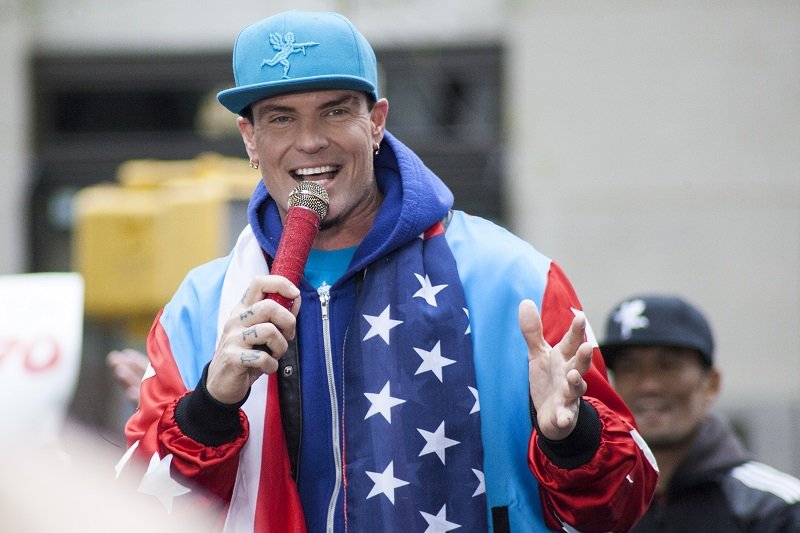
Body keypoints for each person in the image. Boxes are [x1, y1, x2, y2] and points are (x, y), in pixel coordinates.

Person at [116, 10, 657, 532]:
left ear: (376, 123)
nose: (310, 141)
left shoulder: (512, 278)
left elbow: (625, 504)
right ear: (249, 139)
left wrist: (574, 438)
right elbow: (133, 509)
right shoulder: (201, 306)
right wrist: (210, 406)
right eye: (281, 117)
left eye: (335, 111)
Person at [600, 294, 800, 532]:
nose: (648, 385)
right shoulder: (592, 505)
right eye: (629, 368)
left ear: (711, 384)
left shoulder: (775, 509)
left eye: (668, 365)